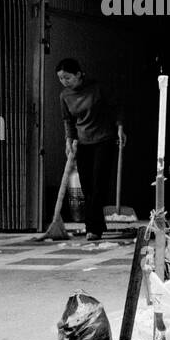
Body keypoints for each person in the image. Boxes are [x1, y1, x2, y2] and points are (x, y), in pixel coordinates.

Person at [56, 58, 124, 242]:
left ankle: (92, 228)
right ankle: (97, 225)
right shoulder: (65, 96)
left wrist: (119, 127)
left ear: (78, 74)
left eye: (68, 78)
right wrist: (68, 141)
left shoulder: (97, 88)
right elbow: (68, 121)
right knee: (87, 187)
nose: (65, 82)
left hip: (104, 139)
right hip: (83, 142)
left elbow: (115, 107)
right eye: (61, 79)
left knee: (99, 185)